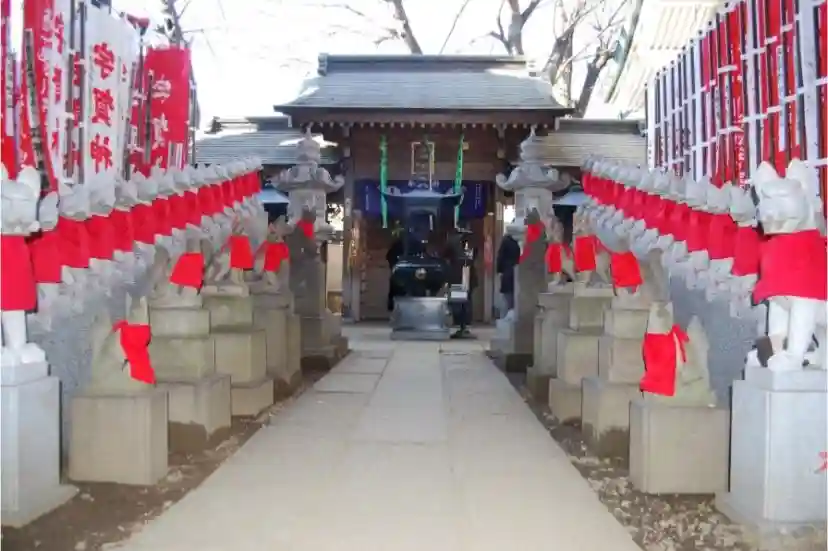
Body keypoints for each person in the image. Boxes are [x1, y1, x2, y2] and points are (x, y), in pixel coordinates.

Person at [496, 234, 520, 316]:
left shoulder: (505, 242)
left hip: (506, 274)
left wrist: (499, 270)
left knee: (505, 300)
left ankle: (504, 317)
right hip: (514, 274)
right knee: (512, 300)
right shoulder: (516, 245)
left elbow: (500, 258)